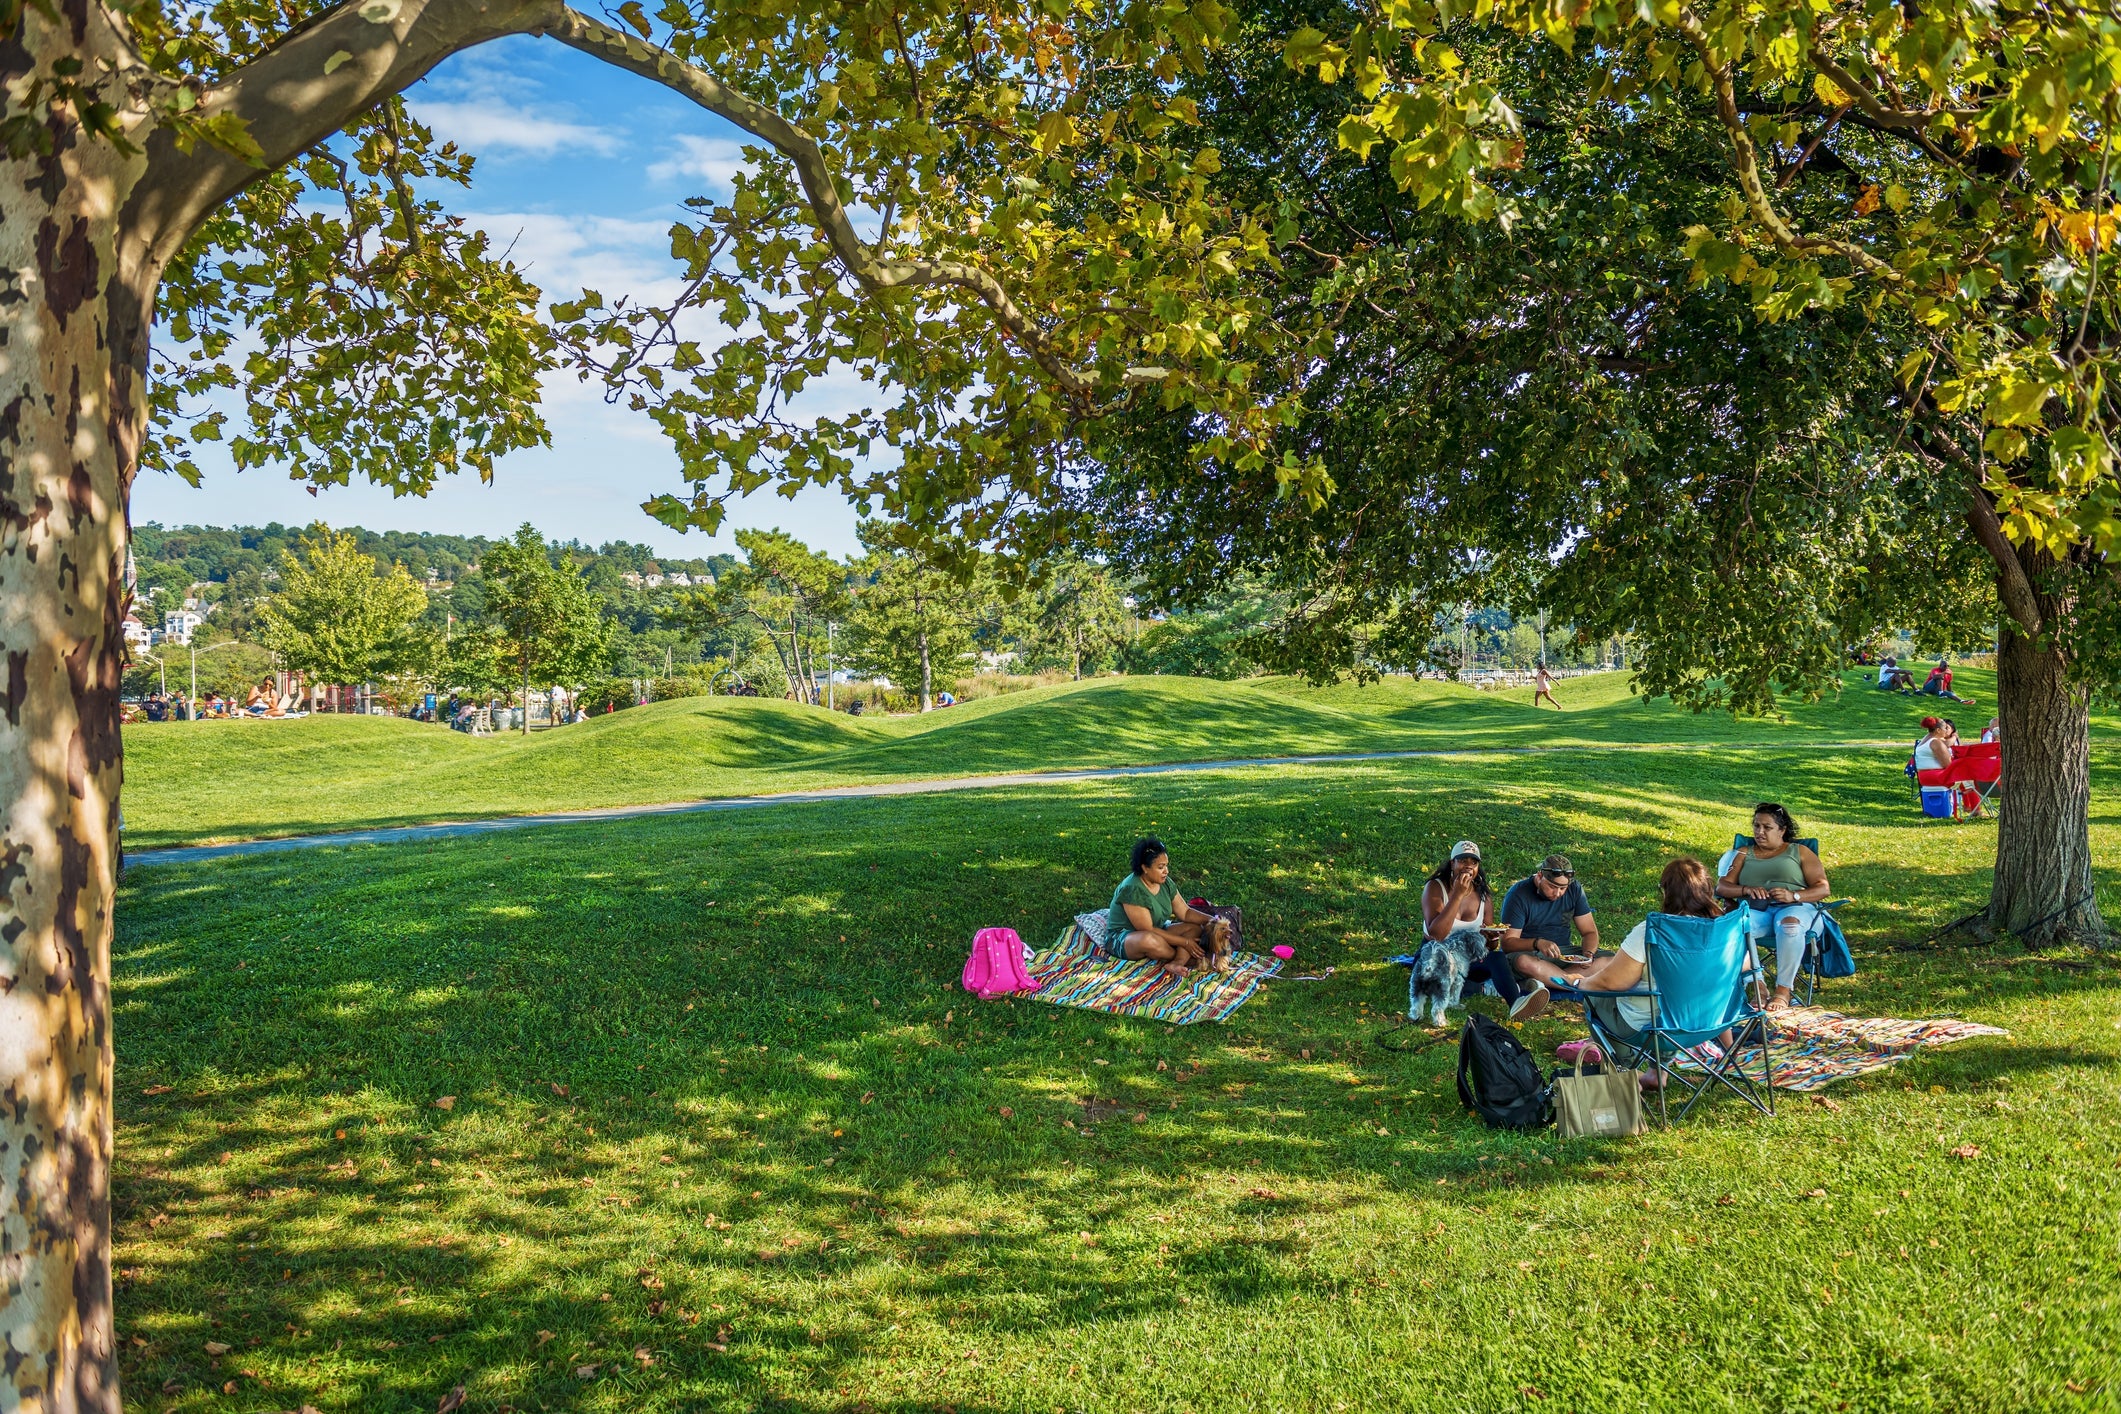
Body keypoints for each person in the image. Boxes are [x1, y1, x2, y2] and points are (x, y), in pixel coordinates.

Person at [1572, 857, 1731, 1084]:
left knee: (1594, 998)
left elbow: (1612, 983)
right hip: (1707, 1021)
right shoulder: (1726, 929)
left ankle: (1624, 1071)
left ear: (1666, 892)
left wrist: (1580, 984)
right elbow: (1744, 967)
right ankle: (1657, 1073)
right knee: (1671, 1005)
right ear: (1707, 890)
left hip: (1650, 1026)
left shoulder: (1652, 931)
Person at [1716, 803, 1831, 1010]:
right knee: (1734, 926)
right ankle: (1757, 984)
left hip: (1798, 908)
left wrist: (1793, 895)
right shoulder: (1744, 852)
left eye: (1767, 827)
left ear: (1782, 830)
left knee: (1789, 925)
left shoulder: (1800, 851)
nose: (1760, 832)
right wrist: (1745, 890)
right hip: (1759, 909)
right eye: (1756, 826)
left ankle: (1783, 991)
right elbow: (1722, 886)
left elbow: (1823, 889)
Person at [1421, 841, 1549, 1021]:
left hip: (1466, 958)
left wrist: (1491, 938)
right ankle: (1497, 988)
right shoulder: (1435, 888)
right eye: (1462, 860)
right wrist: (1457, 894)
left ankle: (1516, 1004)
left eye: (1473, 862)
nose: (1468, 866)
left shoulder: (1483, 896)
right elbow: (1437, 935)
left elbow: (1488, 945)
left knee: (1496, 958)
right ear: (1452, 863)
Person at [1106, 837, 1233, 977]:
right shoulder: (1132, 889)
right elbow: (1147, 929)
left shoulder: (1165, 882)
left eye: (1166, 865)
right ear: (1145, 868)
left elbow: (1185, 913)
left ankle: (1177, 963)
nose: (1166, 871)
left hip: (1159, 929)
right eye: (1160, 867)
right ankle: (1191, 959)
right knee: (1149, 940)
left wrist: (1214, 921)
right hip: (1127, 937)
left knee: (1195, 928)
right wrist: (1185, 943)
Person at [1499, 854, 1602, 988]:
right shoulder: (1518, 894)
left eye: (1563, 888)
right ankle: (1575, 983)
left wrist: (1588, 954)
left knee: (1612, 960)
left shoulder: (1575, 889)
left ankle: (1550, 981)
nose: (1558, 893)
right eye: (1552, 887)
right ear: (1540, 876)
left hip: (1564, 954)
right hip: (1531, 954)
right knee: (1524, 963)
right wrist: (1537, 943)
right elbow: (1507, 943)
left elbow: (1589, 932)